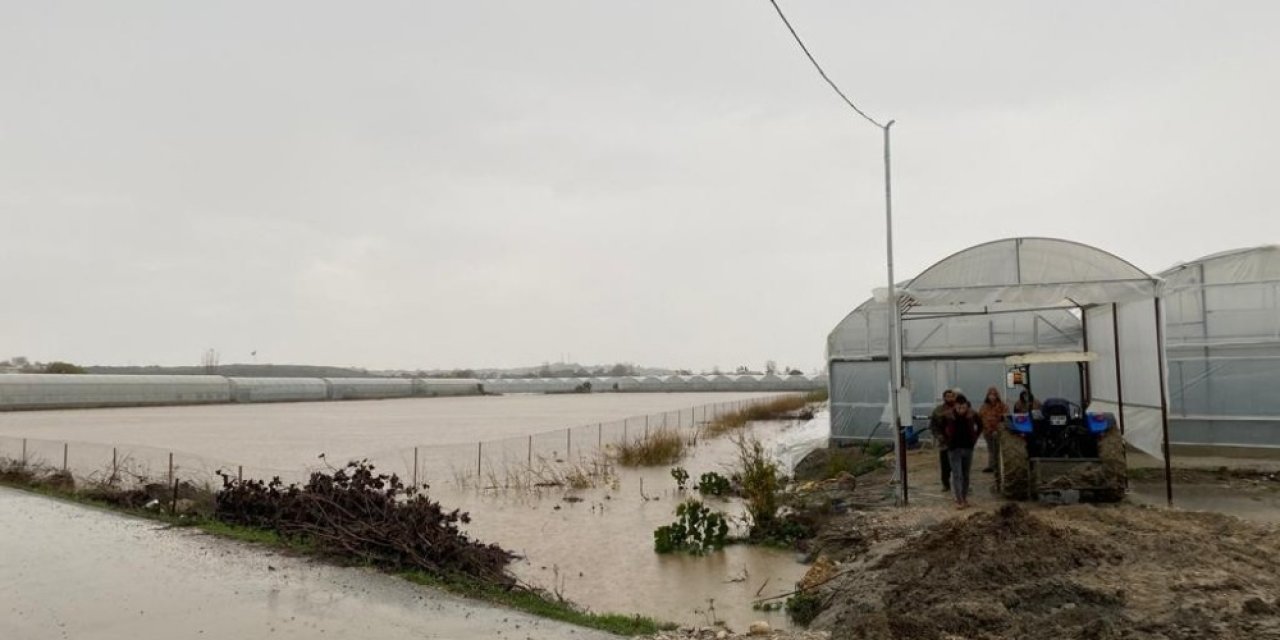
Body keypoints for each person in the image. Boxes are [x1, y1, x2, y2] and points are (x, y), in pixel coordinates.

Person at [943, 394, 982, 509]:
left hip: (968, 448)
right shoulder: (948, 415)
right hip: (953, 448)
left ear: (967, 406)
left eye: (964, 407)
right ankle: (959, 499)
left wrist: (975, 437)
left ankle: (964, 498)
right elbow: (938, 427)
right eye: (959, 407)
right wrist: (944, 439)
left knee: (966, 475)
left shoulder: (972, 414)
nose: (961, 410)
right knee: (957, 474)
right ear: (955, 406)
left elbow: (980, 425)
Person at [929, 389, 958, 491]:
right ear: (944, 398)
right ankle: (946, 484)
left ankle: (961, 485)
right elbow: (933, 426)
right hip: (945, 442)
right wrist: (939, 436)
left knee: (960, 466)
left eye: (952, 396)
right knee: (945, 466)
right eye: (948, 396)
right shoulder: (938, 410)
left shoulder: (960, 409)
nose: (950, 398)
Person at [978, 386, 1009, 473]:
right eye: (990, 395)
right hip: (987, 432)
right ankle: (991, 465)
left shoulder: (1002, 406)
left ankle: (998, 466)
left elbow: (1005, 417)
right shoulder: (984, 406)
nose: (992, 397)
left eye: (994, 395)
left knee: (997, 449)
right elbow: (979, 418)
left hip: (998, 431)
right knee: (991, 449)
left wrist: (998, 429)